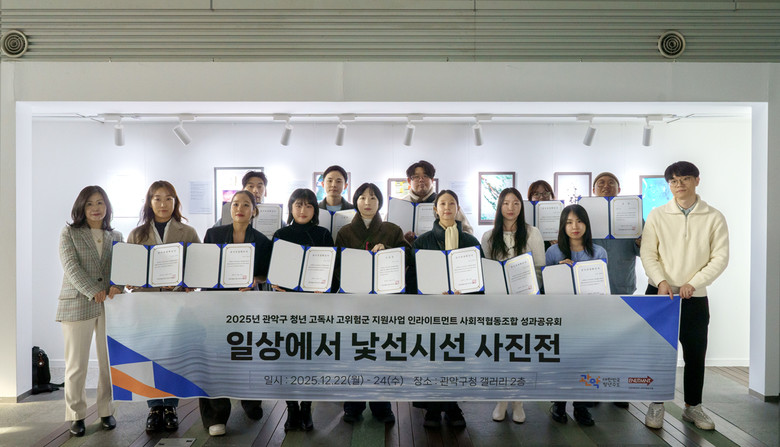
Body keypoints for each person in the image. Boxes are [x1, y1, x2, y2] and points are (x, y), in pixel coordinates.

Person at [640, 161, 729, 431]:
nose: (679, 185)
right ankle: (656, 404)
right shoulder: (657, 215)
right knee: (658, 353)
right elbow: (648, 253)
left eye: (685, 179)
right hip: (660, 294)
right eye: (674, 181)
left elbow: (720, 258)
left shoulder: (714, 217)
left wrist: (694, 282)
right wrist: (661, 281)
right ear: (669, 185)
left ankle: (693, 407)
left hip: (695, 297)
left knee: (695, 354)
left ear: (697, 180)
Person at [127, 181, 201, 432]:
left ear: (175, 202)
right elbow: (128, 270)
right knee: (150, 355)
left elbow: (199, 267)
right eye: (157, 198)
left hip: (175, 305)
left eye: (169, 198)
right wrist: (130, 279)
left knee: (172, 356)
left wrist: (185, 282)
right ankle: (153, 407)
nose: (163, 204)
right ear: (149, 202)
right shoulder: (136, 234)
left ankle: (170, 406)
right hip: (147, 305)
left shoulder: (187, 232)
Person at [199, 190, 273, 437]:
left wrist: (255, 280)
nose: (239, 208)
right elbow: (203, 265)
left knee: (248, 353)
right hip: (216, 304)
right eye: (235, 204)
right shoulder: (214, 234)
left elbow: (266, 274)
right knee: (215, 358)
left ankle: (251, 401)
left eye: (245, 204)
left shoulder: (262, 241)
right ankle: (216, 415)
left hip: (247, 305)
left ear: (254, 210)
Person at [335, 183, 408, 425]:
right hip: (354, 301)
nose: (368, 202)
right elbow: (337, 267)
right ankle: (353, 405)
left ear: (380, 203)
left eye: (373, 198)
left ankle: (381, 405)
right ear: (355, 201)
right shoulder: (345, 232)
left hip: (383, 303)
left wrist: (388, 250)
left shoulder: (392, 230)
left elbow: (408, 257)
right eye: (363, 197)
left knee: (381, 353)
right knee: (354, 352)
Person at [56, 186, 123, 437]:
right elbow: (70, 266)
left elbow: (123, 266)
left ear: (107, 207)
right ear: (81, 207)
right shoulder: (69, 233)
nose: (96, 208)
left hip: (109, 304)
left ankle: (106, 410)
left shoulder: (116, 236)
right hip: (77, 302)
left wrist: (118, 285)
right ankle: (76, 415)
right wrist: (92, 290)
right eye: (90, 204)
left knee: (108, 362)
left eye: (100, 203)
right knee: (76, 365)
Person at [412, 190, 482, 429]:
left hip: (461, 310)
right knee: (433, 357)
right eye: (442, 203)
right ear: (435, 209)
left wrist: (468, 292)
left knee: (456, 358)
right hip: (431, 310)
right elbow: (414, 279)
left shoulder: (471, 242)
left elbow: (480, 279)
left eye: (452, 203)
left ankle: (452, 406)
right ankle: (432, 407)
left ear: (458, 208)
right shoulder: (422, 242)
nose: (447, 207)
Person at [271, 188, 335, 432]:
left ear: (315, 210)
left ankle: (306, 407)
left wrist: (325, 287)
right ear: (291, 208)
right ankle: (291, 408)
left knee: (310, 358)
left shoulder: (323, 234)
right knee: (287, 358)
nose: (303, 210)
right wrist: (274, 282)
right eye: (298, 205)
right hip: (285, 306)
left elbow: (332, 269)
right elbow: (272, 269)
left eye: (309, 205)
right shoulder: (280, 234)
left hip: (314, 306)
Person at [480, 188, 545, 424]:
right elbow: (486, 270)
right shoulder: (488, 236)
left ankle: (518, 401)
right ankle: (501, 399)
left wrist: (529, 293)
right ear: (499, 206)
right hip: (498, 305)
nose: (511, 208)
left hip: (525, 303)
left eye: (516, 203)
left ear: (521, 206)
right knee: (500, 352)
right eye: (506, 203)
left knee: (521, 352)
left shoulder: (532, 233)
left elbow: (540, 268)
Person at [545, 204, 607, 427]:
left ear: (586, 224)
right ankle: (559, 404)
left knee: (586, 360)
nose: (575, 226)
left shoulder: (599, 252)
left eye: (579, 221)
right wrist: (560, 272)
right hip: (562, 317)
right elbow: (547, 289)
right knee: (561, 360)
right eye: (569, 222)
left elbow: (602, 287)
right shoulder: (553, 253)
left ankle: (582, 407)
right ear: (563, 226)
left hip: (590, 317)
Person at [589, 172, 641, 409]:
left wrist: (640, 240)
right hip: (592, 290)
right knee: (595, 341)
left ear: (619, 190)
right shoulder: (586, 216)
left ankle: (620, 390)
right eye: (600, 183)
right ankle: (594, 390)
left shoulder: (633, 216)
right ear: (594, 190)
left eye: (611, 183)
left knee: (622, 341)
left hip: (622, 286)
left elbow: (643, 251)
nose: (606, 186)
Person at [400, 160, 473, 244]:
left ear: (432, 180)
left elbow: (468, 231)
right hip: (408, 251)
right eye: (416, 176)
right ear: (409, 181)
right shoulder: (400, 204)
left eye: (425, 176)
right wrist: (402, 239)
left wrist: (451, 239)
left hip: (440, 250)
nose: (421, 180)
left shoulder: (444, 203)